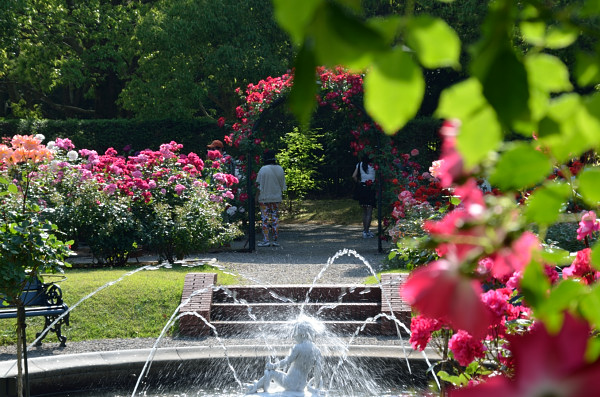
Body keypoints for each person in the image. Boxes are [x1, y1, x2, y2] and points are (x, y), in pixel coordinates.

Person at [245, 321, 323, 394]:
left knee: (270, 372)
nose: (294, 337)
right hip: (301, 386)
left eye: (295, 334)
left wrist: (273, 366)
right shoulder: (317, 350)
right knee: (274, 375)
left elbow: (286, 362)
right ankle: (256, 386)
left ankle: (256, 388)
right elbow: (318, 372)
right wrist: (316, 388)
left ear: (302, 334)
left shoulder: (298, 347)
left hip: (290, 382)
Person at [256, 150, 286, 247]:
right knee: (275, 218)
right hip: (276, 197)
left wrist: (256, 197)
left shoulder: (263, 169)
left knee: (264, 219)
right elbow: (283, 185)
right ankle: (275, 239)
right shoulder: (280, 169)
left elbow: (259, 185)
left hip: (264, 198)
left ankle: (266, 240)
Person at [352, 155, 376, 239]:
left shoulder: (359, 164)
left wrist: (359, 182)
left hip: (362, 186)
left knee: (364, 210)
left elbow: (354, 176)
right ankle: (366, 230)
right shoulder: (374, 165)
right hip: (371, 187)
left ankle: (365, 230)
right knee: (369, 211)